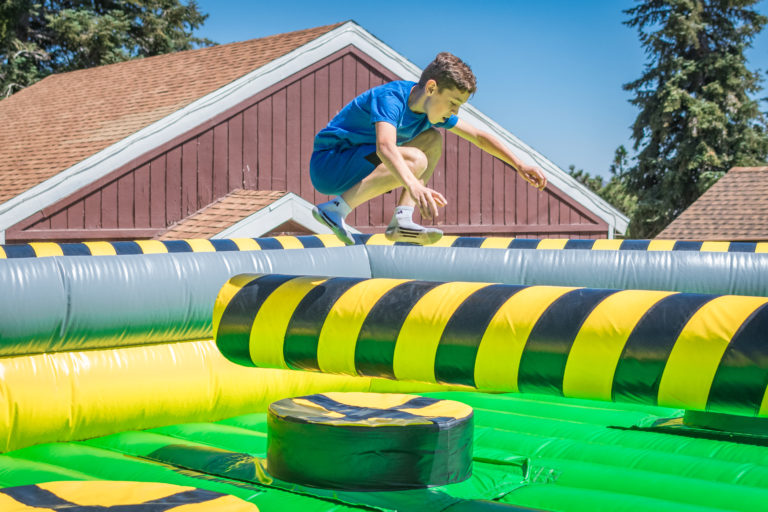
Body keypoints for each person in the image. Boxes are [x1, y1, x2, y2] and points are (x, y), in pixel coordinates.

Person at [310, 52, 547, 245]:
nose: (454, 112)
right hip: (330, 164)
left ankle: (402, 220)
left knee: (432, 139)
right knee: (416, 159)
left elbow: (478, 136)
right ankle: (335, 210)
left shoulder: (430, 113)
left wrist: (519, 164)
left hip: (358, 162)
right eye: (453, 103)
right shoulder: (391, 98)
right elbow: (384, 146)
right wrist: (414, 185)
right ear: (431, 89)